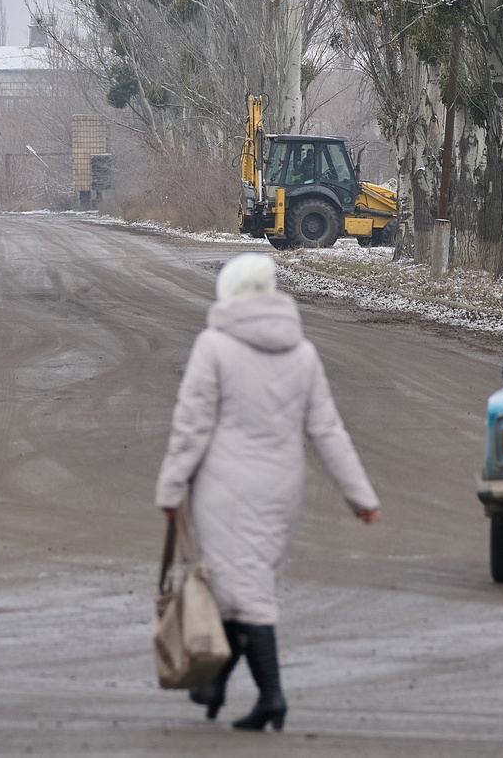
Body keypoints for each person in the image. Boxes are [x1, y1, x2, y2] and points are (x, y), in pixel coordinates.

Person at [156, 252, 379, 732]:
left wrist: (172, 487)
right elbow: (328, 431)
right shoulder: (303, 353)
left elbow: (191, 427)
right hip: (282, 489)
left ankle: (271, 696)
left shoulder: (214, 347)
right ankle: (214, 684)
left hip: (225, 489)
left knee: (245, 593)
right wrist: (360, 495)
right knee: (241, 586)